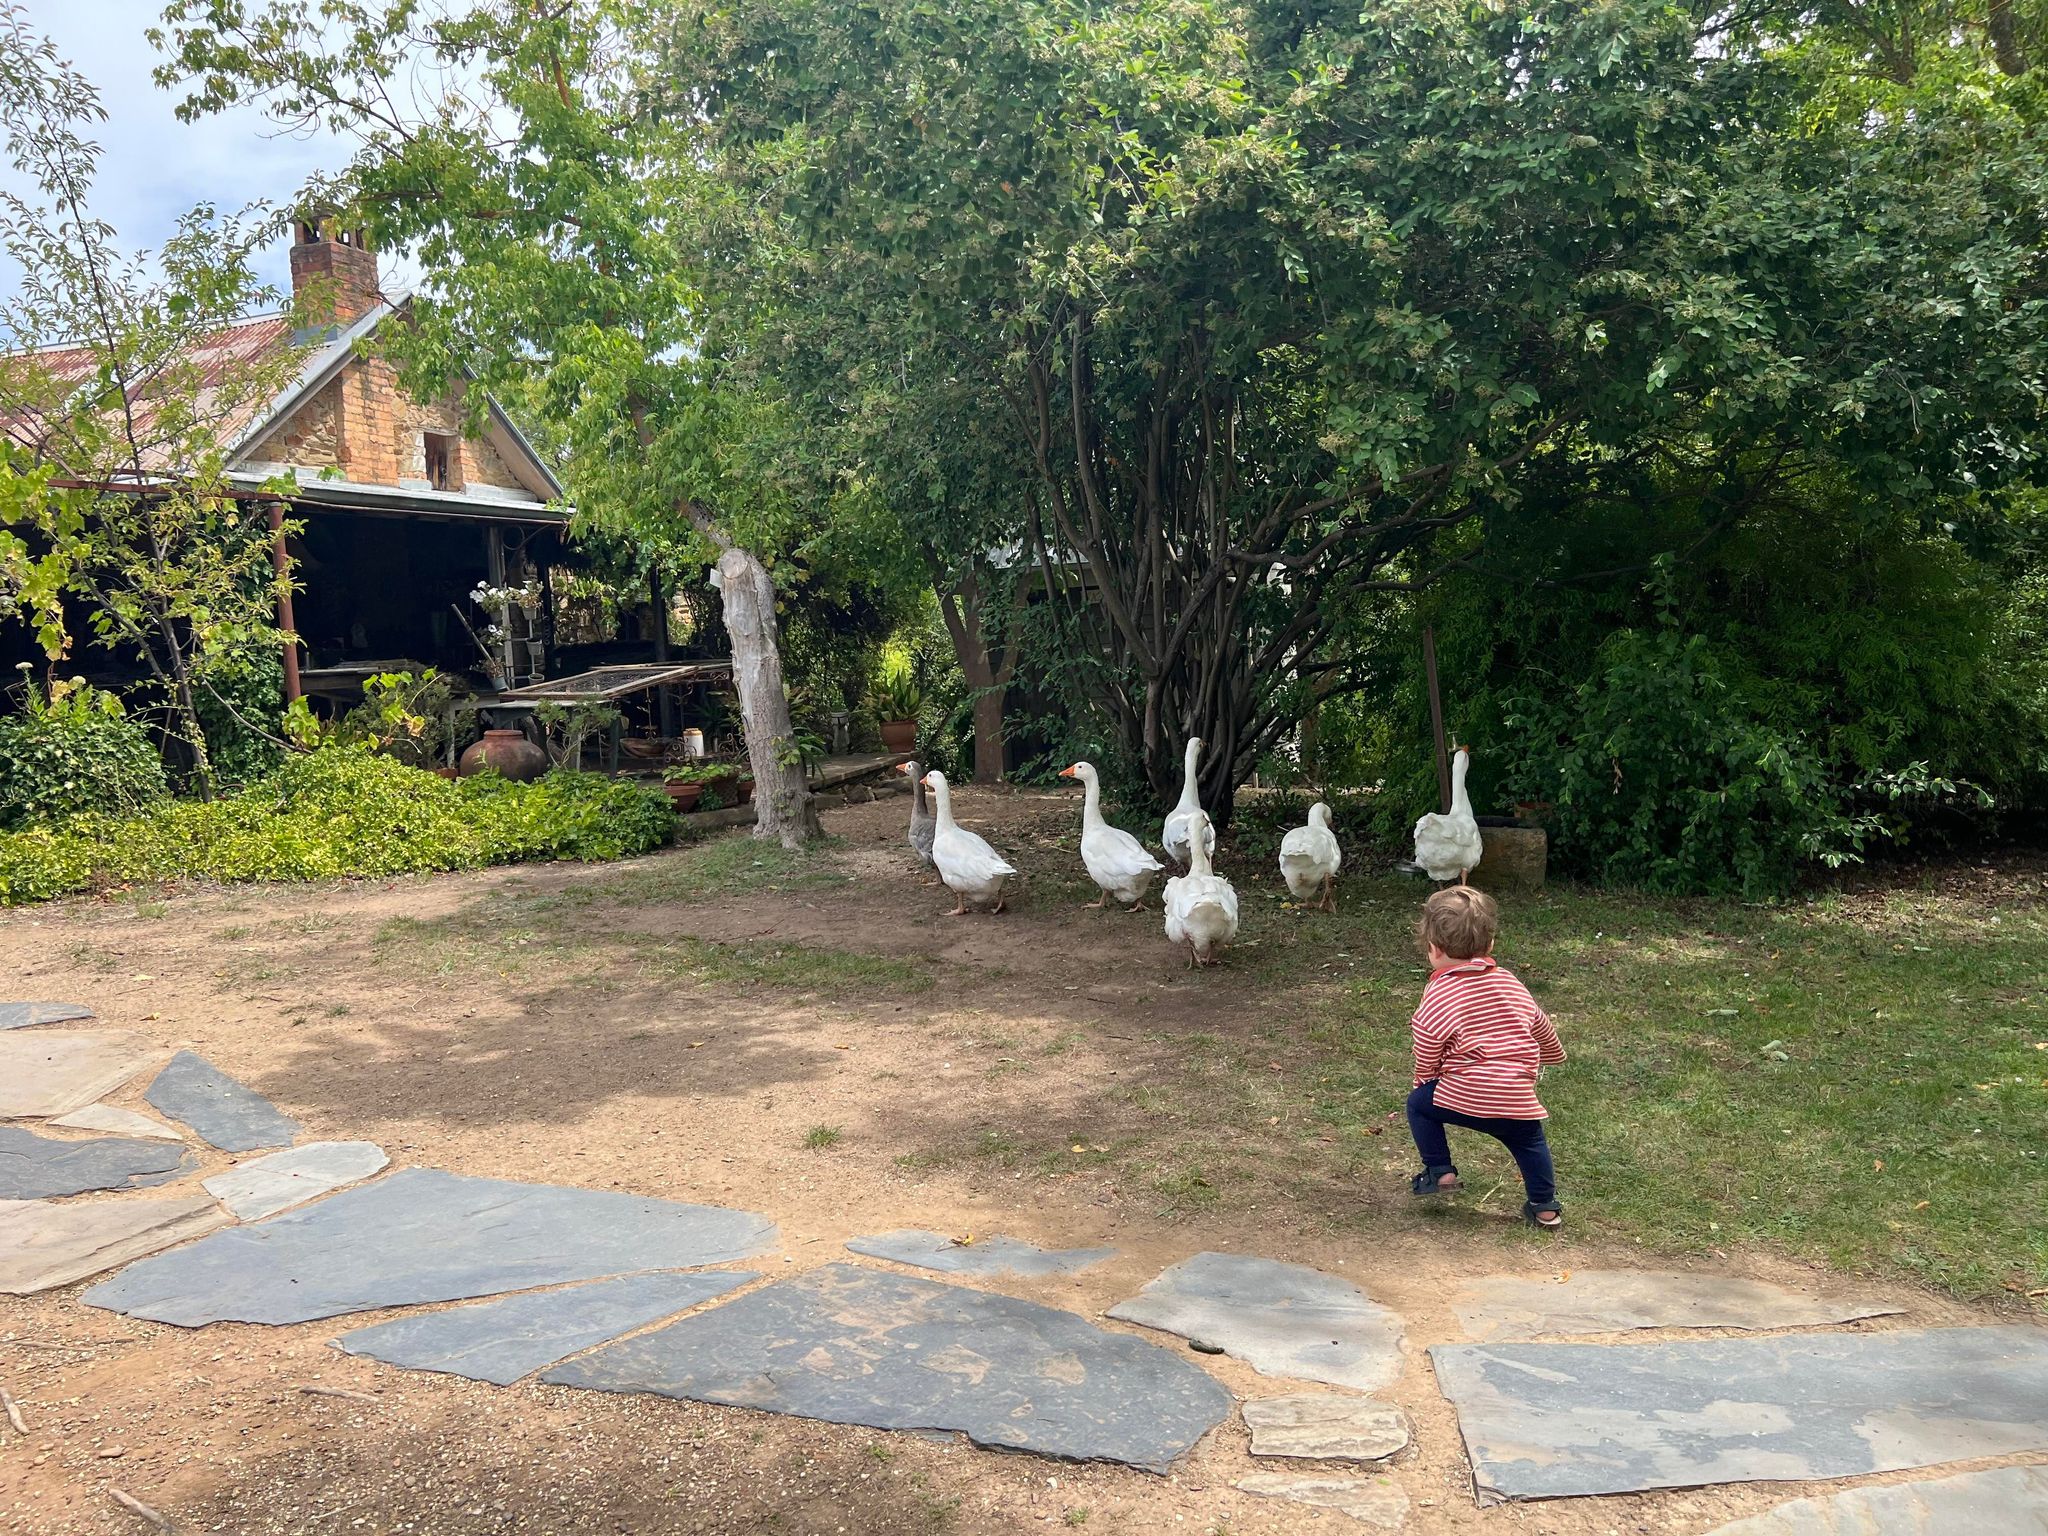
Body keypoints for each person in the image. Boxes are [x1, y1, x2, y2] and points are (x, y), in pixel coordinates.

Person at [1405, 885, 1566, 1228]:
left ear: (1433, 950)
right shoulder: (1509, 982)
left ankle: (1440, 1171)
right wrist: (1553, 1054)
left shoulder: (1440, 992)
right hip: (1514, 1096)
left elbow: (1428, 1037)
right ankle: (1545, 1207)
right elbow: (1538, 1021)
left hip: (1465, 1093)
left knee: (1419, 1104)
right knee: (1531, 1142)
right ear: (1490, 945)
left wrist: (1425, 1076)